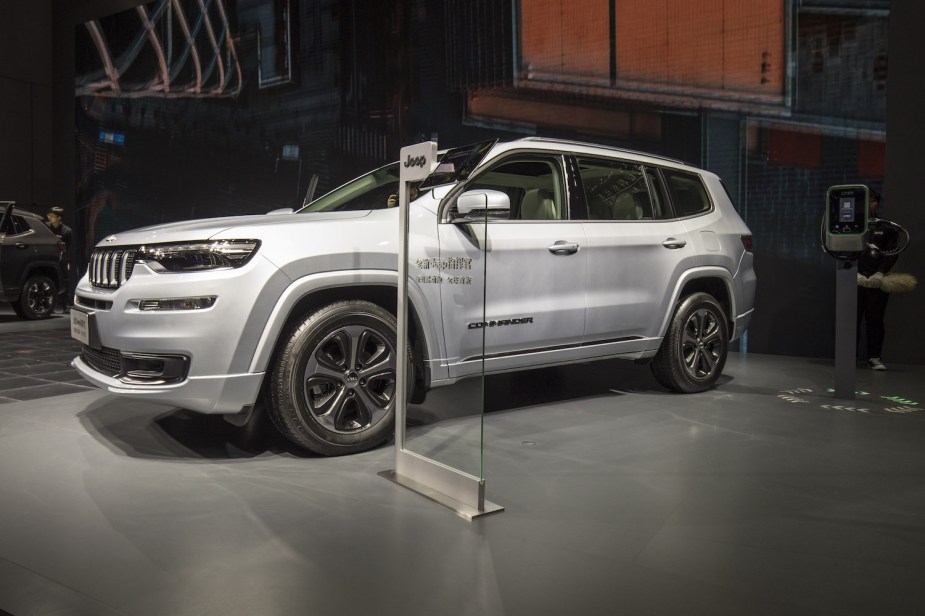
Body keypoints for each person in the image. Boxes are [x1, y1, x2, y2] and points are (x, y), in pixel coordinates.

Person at [856, 191, 898, 370]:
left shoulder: (887, 228)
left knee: (875, 319)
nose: (869, 205)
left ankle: (874, 357)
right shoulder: (852, 226)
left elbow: (892, 253)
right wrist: (854, 273)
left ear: (877, 204)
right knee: (851, 320)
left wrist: (880, 273)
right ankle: (847, 356)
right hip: (854, 280)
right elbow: (843, 251)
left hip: (877, 281)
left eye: (873, 202)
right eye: (866, 202)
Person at [45, 206, 73, 311]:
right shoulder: (46, 227)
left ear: (59, 218)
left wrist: (67, 261)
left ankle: (66, 306)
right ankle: (49, 305)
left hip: (61, 258)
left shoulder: (67, 231)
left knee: (65, 281)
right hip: (48, 258)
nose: (49, 217)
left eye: (52, 216)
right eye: (49, 215)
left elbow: (67, 248)